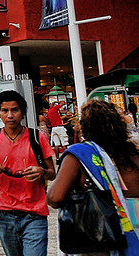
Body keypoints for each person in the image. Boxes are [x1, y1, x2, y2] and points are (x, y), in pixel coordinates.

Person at [48, 99, 139, 255]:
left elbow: (55, 198)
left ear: (84, 127)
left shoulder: (79, 155)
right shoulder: (134, 154)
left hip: (102, 239)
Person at [0, 90, 56, 256]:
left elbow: (52, 173)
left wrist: (41, 171)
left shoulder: (37, 137)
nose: (10, 115)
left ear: (23, 113)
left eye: (15, 110)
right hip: (6, 214)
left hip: (35, 213)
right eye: (5, 111)